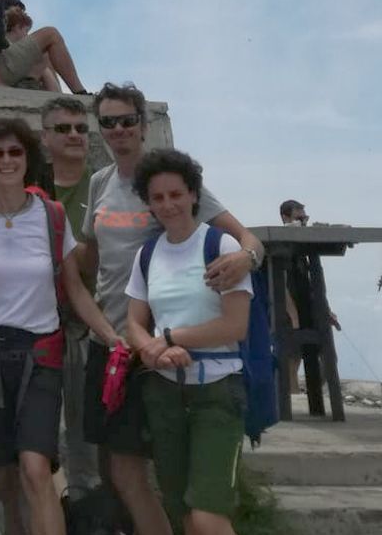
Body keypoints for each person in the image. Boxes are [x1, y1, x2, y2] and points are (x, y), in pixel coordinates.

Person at [81, 82, 265, 535]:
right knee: (124, 468)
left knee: (174, 491)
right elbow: (88, 255)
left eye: (127, 120)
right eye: (108, 121)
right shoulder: (100, 183)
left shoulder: (170, 176)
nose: (118, 129)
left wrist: (247, 257)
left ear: (143, 125)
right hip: (120, 342)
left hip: (167, 351)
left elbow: (245, 240)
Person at [0, 118, 120, 535]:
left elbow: (74, 289)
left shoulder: (51, 215)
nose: (7, 160)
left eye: (15, 151)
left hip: (40, 356)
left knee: (35, 468)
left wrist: (110, 335)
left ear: (28, 157)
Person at [125, 149, 253, 535]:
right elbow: (133, 321)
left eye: (176, 194)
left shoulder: (221, 247)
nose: (168, 205)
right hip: (164, 391)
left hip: (217, 393)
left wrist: (169, 338)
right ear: (148, 203)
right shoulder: (148, 254)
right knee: (181, 510)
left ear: (194, 195)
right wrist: (151, 349)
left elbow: (235, 326)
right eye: (158, 197)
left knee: (207, 513)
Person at [38, 98, 100, 497]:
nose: (75, 135)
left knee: (86, 442)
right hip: (38, 323)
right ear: (45, 137)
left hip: (88, 325)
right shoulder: (29, 185)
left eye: (81, 128)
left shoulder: (104, 185)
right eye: (63, 128)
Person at [279, 199, 341, 393]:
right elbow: (281, 286)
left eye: (305, 216)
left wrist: (326, 310)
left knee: (328, 355)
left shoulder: (305, 250)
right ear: (285, 217)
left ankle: (309, 391)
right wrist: (294, 317)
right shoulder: (282, 245)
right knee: (293, 358)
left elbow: (314, 285)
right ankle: (292, 396)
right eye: (299, 216)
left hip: (309, 308)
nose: (303, 220)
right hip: (290, 312)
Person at [5, 6, 62, 92]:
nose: (27, 36)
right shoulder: (5, 42)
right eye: (26, 31)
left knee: (45, 60)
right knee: (43, 56)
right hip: (9, 76)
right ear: (16, 27)